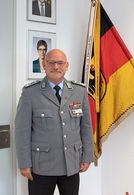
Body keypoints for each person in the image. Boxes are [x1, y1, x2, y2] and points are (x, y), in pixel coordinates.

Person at [15, 49, 94, 195]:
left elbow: (86, 127)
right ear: (44, 65)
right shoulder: (30, 93)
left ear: (67, 65)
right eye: (51, 62)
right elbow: (22, 131)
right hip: (41, 167)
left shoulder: (79, 91)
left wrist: (88, 156)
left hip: (71, 164)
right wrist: (24, 163)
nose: (56, 67)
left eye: (60, 63)